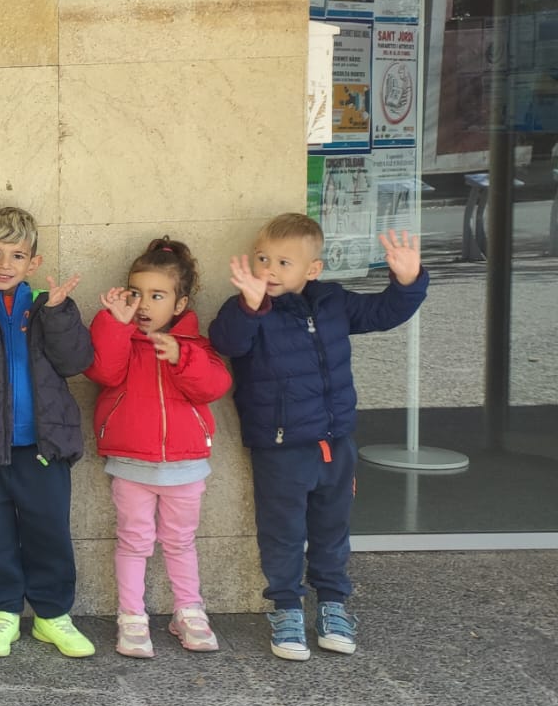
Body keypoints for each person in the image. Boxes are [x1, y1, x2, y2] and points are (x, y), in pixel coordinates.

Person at [210, 217, 426, 660]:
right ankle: (287, 608)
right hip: (280, 448)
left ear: (312, 269)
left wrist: (407, 282)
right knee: (283, 532)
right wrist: (249, 306)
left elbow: (382, 313)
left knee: (332, 528)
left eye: (283, 262)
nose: (269, 269)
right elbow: (226, 342)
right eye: (262, 258)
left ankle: (333, 604)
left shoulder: (332, 302)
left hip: (335, 441)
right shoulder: (248, 308)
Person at [0, 207, 96, 659]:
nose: (4, 264)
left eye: (17, 255)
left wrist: (59, 313)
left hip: (45, 444)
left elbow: (76, 362)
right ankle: (1, 611)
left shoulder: (49, 304)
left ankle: (52, 614)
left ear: (34, 263)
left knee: (49, 530)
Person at [86, 238, 231, 658]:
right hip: (130, 465)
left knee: (180, 541)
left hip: (186, 468)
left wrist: (182, 357)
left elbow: (215, 386)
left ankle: (189, 611)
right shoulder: (124, 338)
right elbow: (102, 372)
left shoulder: (196, 346)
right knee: (134, 542)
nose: (145, 305)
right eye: (137, 293)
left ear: (180, 303)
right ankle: (132, 616)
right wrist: (115, 324)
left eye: (157, 295)